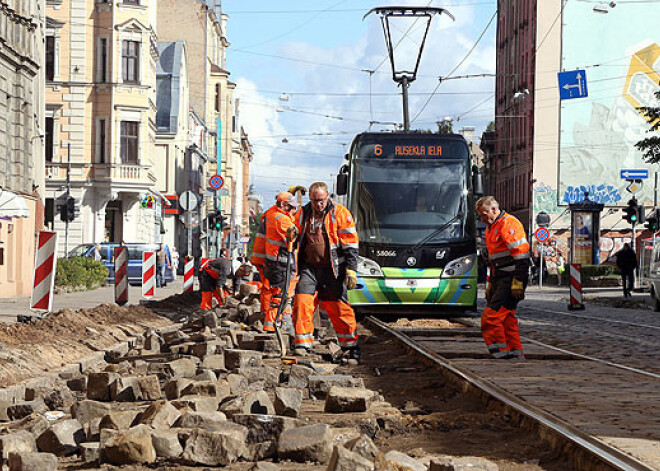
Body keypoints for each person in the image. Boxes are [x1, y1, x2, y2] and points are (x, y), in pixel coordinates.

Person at [291, 181, 360, 362]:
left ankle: (351, 346)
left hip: (332, 269)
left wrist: (351, 270)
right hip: (309, 268)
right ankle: (302, 344)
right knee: (302, 302)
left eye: (321, 200)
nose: (318, 204)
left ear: (327, 196)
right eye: (315, 200)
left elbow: (351, 244)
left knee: (339, 308)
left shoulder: (340, 214)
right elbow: (292, 234)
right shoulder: (303, 213)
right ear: (310, 199)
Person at [476, 196, 530, 360]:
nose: (482, 219)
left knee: (490, 318)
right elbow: (494, 260)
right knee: (506, 318)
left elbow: (522, 256)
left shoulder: (509, 224)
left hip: (511, 278)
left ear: (493, 209)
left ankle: (502, 354)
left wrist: (518, 282)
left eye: (484, 215)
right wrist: (491, 284)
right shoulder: (491, 227)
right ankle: (515, 353)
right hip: (500, 278)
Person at [261, 192, 299, 333]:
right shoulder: (282, 220)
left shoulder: (272, 213)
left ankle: (279, 322)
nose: (294, 211)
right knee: (279, 295)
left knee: (281, 293)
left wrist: (291, 194)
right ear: (283, 205)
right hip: (281, 263)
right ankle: (271, 326)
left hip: (274, 263)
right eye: (292, 207)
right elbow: (294, 238)